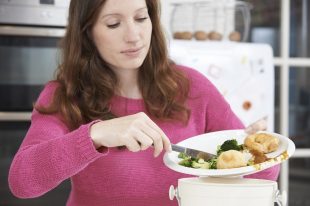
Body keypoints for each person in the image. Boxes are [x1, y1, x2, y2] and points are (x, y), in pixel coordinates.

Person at [8, 0, 280, 205]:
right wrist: (95, 134)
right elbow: (22, 181)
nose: (134, 35)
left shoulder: (193, 87)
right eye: (114, 23)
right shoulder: (64, 96)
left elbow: (259, 179)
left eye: (141, 18)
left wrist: (259, 153)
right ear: (87, 32)